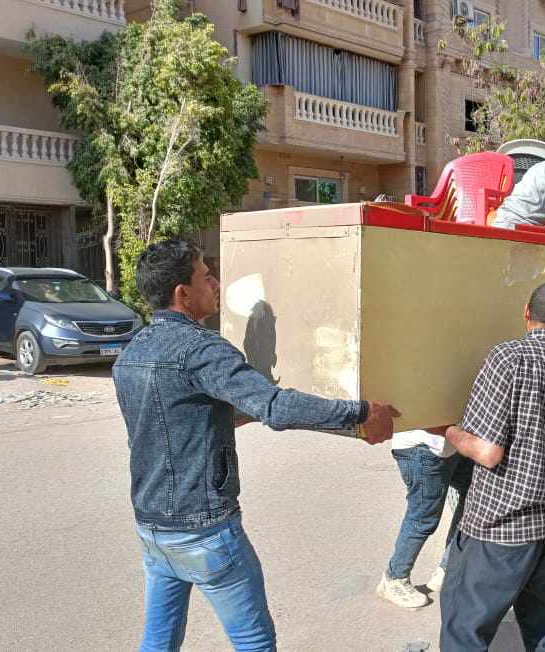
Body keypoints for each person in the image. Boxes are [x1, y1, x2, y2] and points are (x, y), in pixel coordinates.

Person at [113, 239, 399, 652]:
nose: (215, 283)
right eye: (206, 276)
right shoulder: (202, 350)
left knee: (158, 643)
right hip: (205, 530)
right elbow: (276, 407)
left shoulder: (131, 354)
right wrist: (360, 411)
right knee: (255, 644)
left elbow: (177, 419)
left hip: (153, 527)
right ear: (182, 294)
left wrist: (255, 409)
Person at [439, 281, 545, 652]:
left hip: (502, 527)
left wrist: (447, 429)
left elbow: (487, 452)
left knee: (464, 631)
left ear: (526, 313)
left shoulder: (508, 359)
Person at [377, 428, 473, 609]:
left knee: (475, 492)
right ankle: (394, 578)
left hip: (449, 446)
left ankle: (448, 568)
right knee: (423, 518)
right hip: (423, 449)